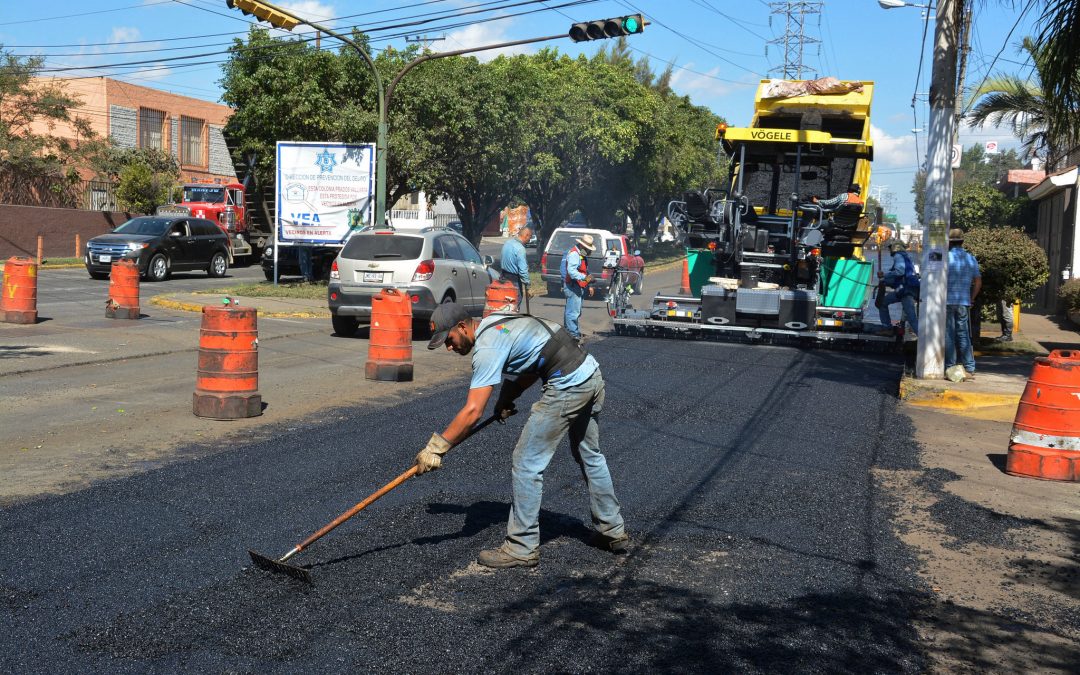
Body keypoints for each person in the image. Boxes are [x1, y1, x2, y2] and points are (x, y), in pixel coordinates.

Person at [416, 302, 629, 569]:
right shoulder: (498, 321)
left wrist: (437, 447)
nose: (449, 347)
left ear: (462, 327)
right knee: (589, 455)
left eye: (449, 340)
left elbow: (472, 411)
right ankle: (612, 531)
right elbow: (539, 354)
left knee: (527, 462)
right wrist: (508, 395)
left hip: (567, 384)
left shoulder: (487, 347)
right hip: (588, 372)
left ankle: (521, 546)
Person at [946, 228, 982, 381]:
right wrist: (971, 297)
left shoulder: (945, 258)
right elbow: (978, 281)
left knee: (949, 334)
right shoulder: (970, 258)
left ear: (949, 242)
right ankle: (969, 367)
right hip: (963, 301)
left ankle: (950, 367)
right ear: (962, 241)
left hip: (947, 301)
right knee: (963, 334)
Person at [876, 239, 920, 337]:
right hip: (904, 290)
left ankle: (923, 340)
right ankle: (887, 327)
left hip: (906, 291)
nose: (889, 250)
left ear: (895, 247)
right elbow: (899, 277)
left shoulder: (898, 256)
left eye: (890, 248)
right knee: (883, 302)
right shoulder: (906, 257)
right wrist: (885, 281)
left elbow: (900, 272)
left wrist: (884, 275)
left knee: (912, 318)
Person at [561, 234, 596, 343]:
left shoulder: (580, 254)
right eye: (587, 248)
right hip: (573, 286)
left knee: (572, 311)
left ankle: (568, 332)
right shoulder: (574, 254)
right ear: (582, 245)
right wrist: (585, 277)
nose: (589, 251)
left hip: (577, 285)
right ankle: (573, 335)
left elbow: (584, 270)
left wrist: (588, 283)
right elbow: (571, 272)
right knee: (573, 312)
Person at [499, 226, 532, 310]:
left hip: (503, 278)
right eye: (530, 237)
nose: (529, 240)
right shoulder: (520, 249)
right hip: (514, 281)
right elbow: (523, 270)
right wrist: (528, 285)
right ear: (526, 235)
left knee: (504, 305)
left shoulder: (508, 243)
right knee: (514, 305)